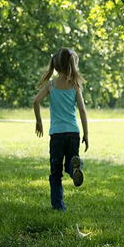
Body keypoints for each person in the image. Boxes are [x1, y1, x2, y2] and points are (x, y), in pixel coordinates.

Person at [33, 48, 89, 211]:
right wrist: (86, 133)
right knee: (71, 163)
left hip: (57, 135)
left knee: (55, 173)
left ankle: (58, 206)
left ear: (56, 66)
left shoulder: (51, 85)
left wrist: (39, 121)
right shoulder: (75, 85)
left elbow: (36, 102)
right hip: (73, 133)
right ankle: (75, 168)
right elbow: (82, 110)